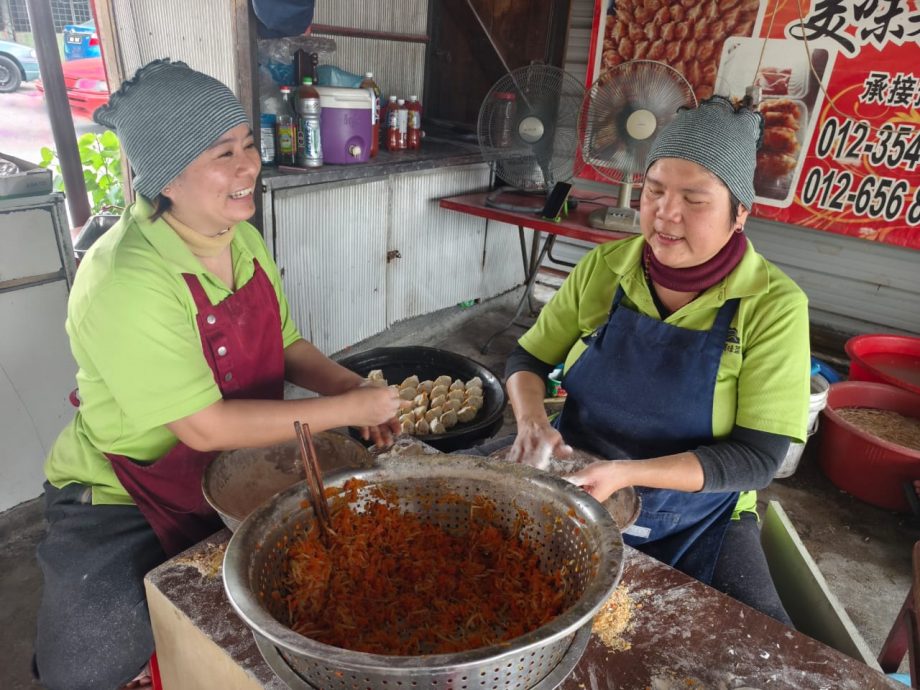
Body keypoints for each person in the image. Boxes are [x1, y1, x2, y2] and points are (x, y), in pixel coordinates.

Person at [33, 59, 404, 690]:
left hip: (246, 464)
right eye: (221, 153)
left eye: (249, 144)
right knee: (87, 665)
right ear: (166, 178)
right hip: (131, 492)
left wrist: (349, 386)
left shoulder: (241, 239)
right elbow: (202, 428)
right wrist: (347, 412)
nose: (248, 167)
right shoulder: (126, 281)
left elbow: (285, 342)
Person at [503, 96, 810, 625]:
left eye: (695, 199)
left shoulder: (773, 306)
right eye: (654, 191)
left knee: (765, 645)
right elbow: (526, 357)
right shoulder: (607, 266)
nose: (666, 214)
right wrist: (531, 423)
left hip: (702, 515)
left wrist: (626, 473)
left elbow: (757, 459)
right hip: (576, 478)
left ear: (741, 213)